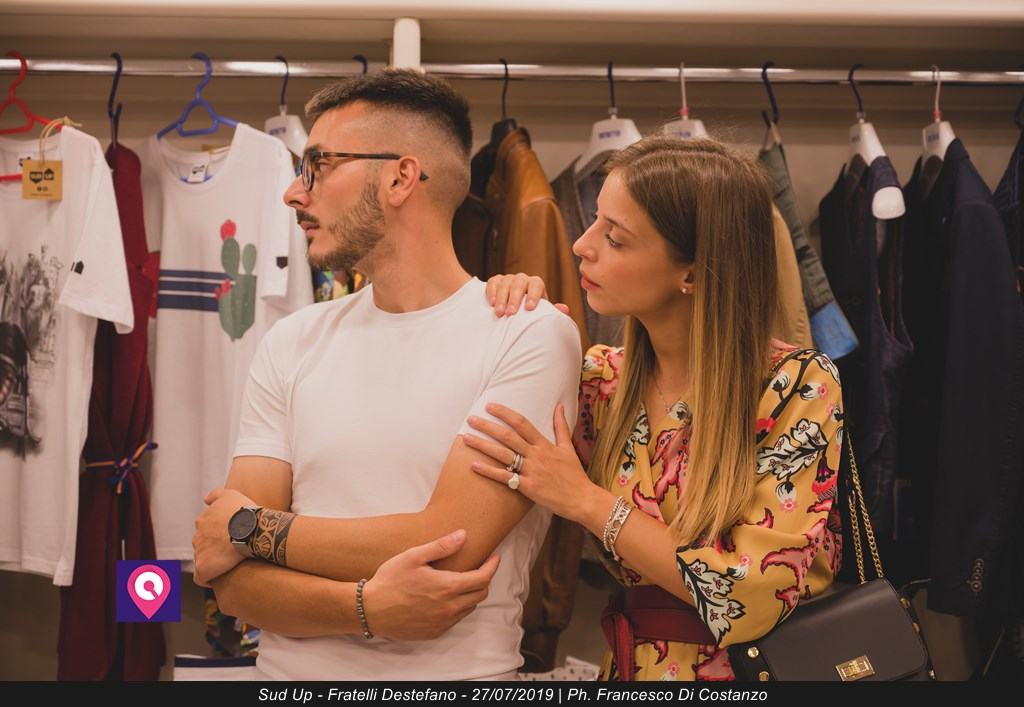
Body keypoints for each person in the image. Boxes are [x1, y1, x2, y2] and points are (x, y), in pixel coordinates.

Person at [190, 70, 581, 680]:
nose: (293, 193)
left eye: (318, 166)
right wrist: (366, 608)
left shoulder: (526, 333)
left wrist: (247, 527)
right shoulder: (292, 340)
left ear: (400, 177)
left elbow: (448, 544)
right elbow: (233, 584)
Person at [468, 136, 845, 681]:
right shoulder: (599, 381)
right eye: (594, 223)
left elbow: (749, 593)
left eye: (614, 238)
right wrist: (505, 321)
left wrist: (585, 501)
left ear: (692, 272)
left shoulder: (794, 386)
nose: (581, 245)